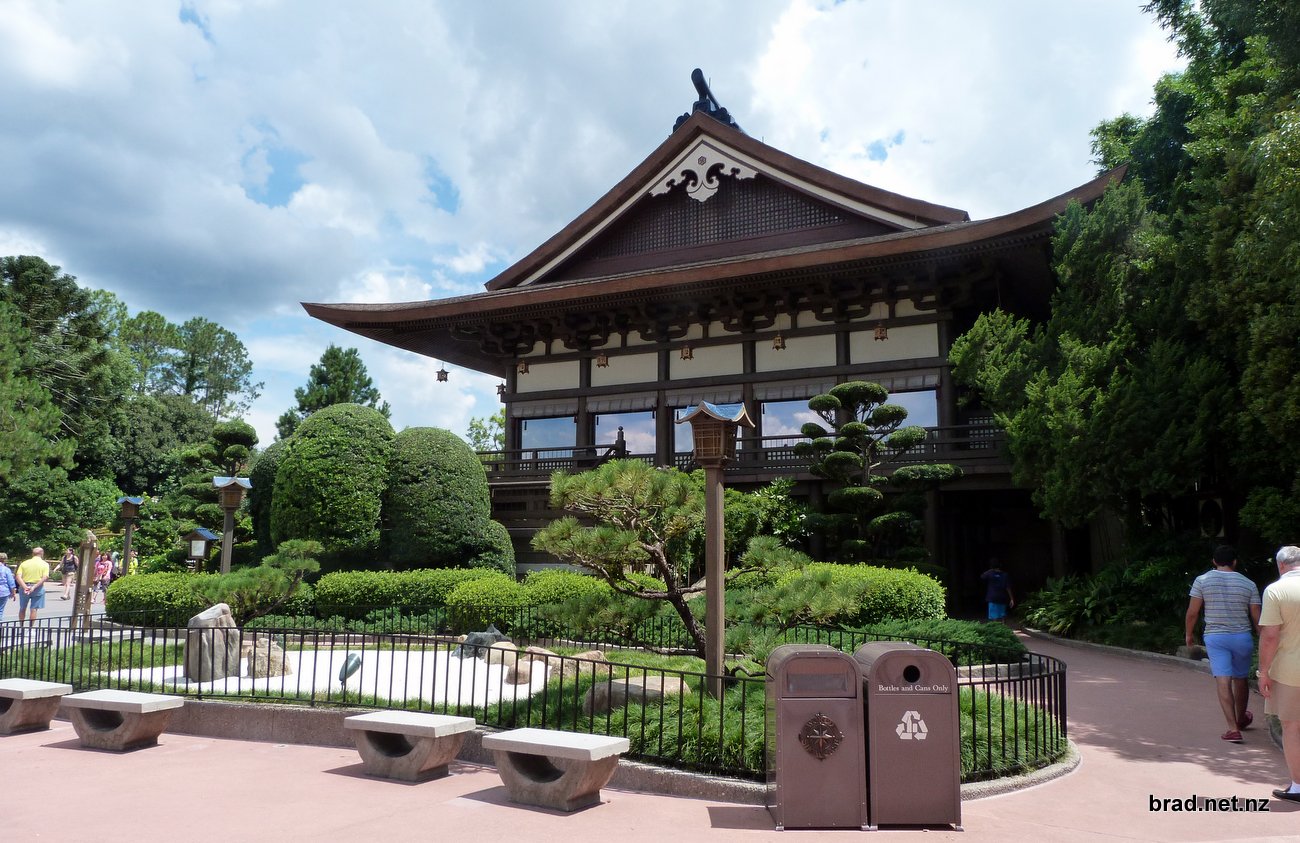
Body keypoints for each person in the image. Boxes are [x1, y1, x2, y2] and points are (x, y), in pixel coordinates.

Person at [1186, 544, 1261, 742]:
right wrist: (1263, 638)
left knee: (1223, 679)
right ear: (1235, 562)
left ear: (1214, 561)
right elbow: (1256, 616)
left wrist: (1188, 634)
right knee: (1241, 678)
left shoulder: (1202, 580)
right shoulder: (1249, 584)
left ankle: (1232, 728)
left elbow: (1192, 612)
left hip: (1216, 637)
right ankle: (1241, 719)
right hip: (1242, 636)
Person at [1259, 545, 1300, 802]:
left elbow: (1270, 636)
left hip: (1290, 671)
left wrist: (1263, 672)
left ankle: (1298, 786)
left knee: (1292, 727)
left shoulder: (1276, 590)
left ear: (1281, 565)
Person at [15, 547, 50, 626]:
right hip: (37, 587)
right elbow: (45, 577)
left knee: (22, 608)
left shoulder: (24, 563)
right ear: (42, 553)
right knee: (34, 609)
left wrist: (24, 587)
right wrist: (34, 587)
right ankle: (31, 628)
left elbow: (18, 577)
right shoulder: (44, 564)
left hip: (24, 586)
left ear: (32, 554)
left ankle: (21, 626)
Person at [980, 559, 1015, 623]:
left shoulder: (989, 573)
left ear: (991, 566)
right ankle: (1003, 626)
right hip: (1002, 597)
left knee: (994, 617)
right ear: (1000, 565)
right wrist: (1012, 599)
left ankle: (996, 627)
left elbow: (982, 576)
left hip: (992, 597)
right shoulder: (1005, 575)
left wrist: (990, 570)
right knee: (1002, 615)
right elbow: (1008, 588)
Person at [0, 553, 15, 618]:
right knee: (0, 610)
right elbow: (11, 582)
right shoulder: (6, 569)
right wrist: (13, 592)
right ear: (5, 559)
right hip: (3, 591)